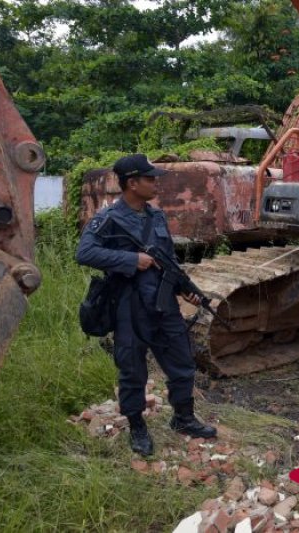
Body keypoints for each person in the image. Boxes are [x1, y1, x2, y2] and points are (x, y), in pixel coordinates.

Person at [76, 154, 217, 455]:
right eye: (150, 179)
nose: (156, 183)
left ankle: (184, 418)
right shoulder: (108, 219)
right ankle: (137, 426)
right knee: (132, 371)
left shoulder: (157, 217)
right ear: (132, 183)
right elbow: (84, 252)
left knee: (182, 363)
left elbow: (168, 261)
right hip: (129, 307)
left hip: (163, 305)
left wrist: (184, 290)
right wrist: (130, 259)